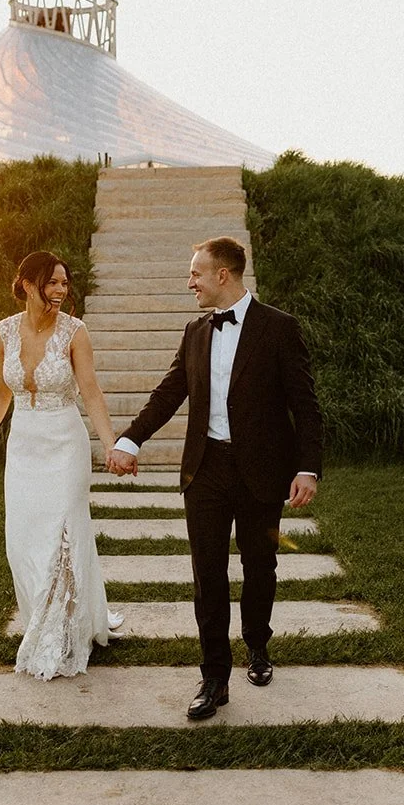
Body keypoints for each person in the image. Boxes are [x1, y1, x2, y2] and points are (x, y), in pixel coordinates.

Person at [106, 237, 323, 720]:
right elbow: (169, 393)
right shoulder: (194, 331)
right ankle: (214, 678)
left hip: (262, 472)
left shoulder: (279, 329)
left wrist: (307, 468)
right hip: (204, 470)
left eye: (195, 274)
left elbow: (305, 406)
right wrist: (130, 439)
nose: (190, 283)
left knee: (260, 566)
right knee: (207, 575)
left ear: (222, 274)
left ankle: (258, 647)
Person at [0, 252, 124, 680]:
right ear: (27, 284)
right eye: (52, 283)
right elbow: (0, 394)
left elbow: (90, 391)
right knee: (24, 538)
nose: (60, 291)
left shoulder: (76, 332)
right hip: (25, 445)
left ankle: (64, 631)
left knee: (64, 535)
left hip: (65, 443)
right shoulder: (3, 332)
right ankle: (43, 613)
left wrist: (111, 444)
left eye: (64, 284)